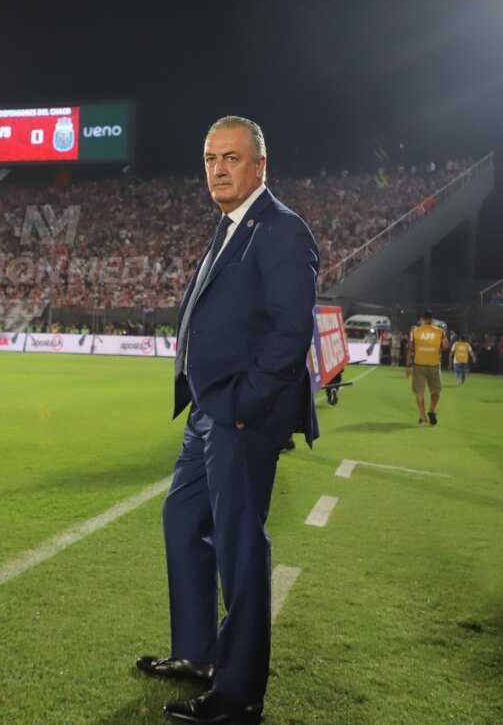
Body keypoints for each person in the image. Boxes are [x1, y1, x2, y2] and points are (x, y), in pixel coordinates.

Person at [137, 116, 319, 725]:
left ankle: (239, 693)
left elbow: (293, 332)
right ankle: (197, 653)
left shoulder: (280, 230)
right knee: (182, 517)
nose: (217, 168)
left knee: (240, 546)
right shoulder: (231, 226)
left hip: (242, 415)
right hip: (207, 409)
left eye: (231, 158)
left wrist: (245, 404)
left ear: (260, 167)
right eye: (210, 158)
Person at [406, 310, 449, 425]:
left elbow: (410, 348)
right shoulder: (439, 331)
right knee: (435, 390)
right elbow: (446, 345)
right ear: (432, 320)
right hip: (434, 364)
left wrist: (407, 365)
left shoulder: (415, 331)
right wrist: (437, 349)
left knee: (419, 392)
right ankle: (432, 409)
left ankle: (423, 417)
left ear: (422, 319)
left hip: (419, 364)